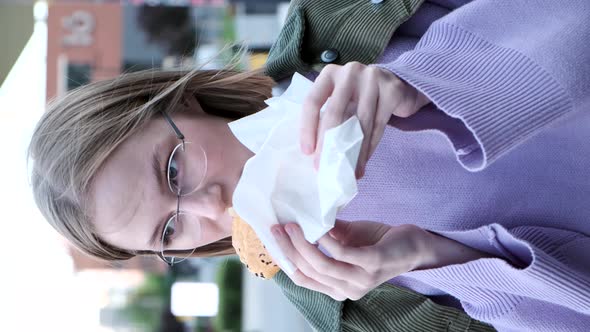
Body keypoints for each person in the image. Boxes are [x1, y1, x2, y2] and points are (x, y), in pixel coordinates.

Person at [28, 0, 589, 331]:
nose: (211, 205)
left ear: (178, 102)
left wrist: (428, 80)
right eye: (170, 229)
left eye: (174, 169)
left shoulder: (337, 21)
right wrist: (436, 256)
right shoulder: (343, 303)